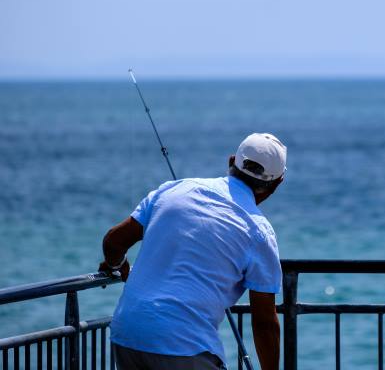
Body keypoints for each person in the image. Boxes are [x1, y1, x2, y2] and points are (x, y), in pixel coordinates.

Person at [98, 133, 287, 370]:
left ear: (231, 162)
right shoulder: (259, 232)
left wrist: (117, 265)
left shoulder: (172, 191)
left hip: (127, 334)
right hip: (184, 346)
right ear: (278, 182)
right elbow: (264, 323)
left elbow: (113, 242)